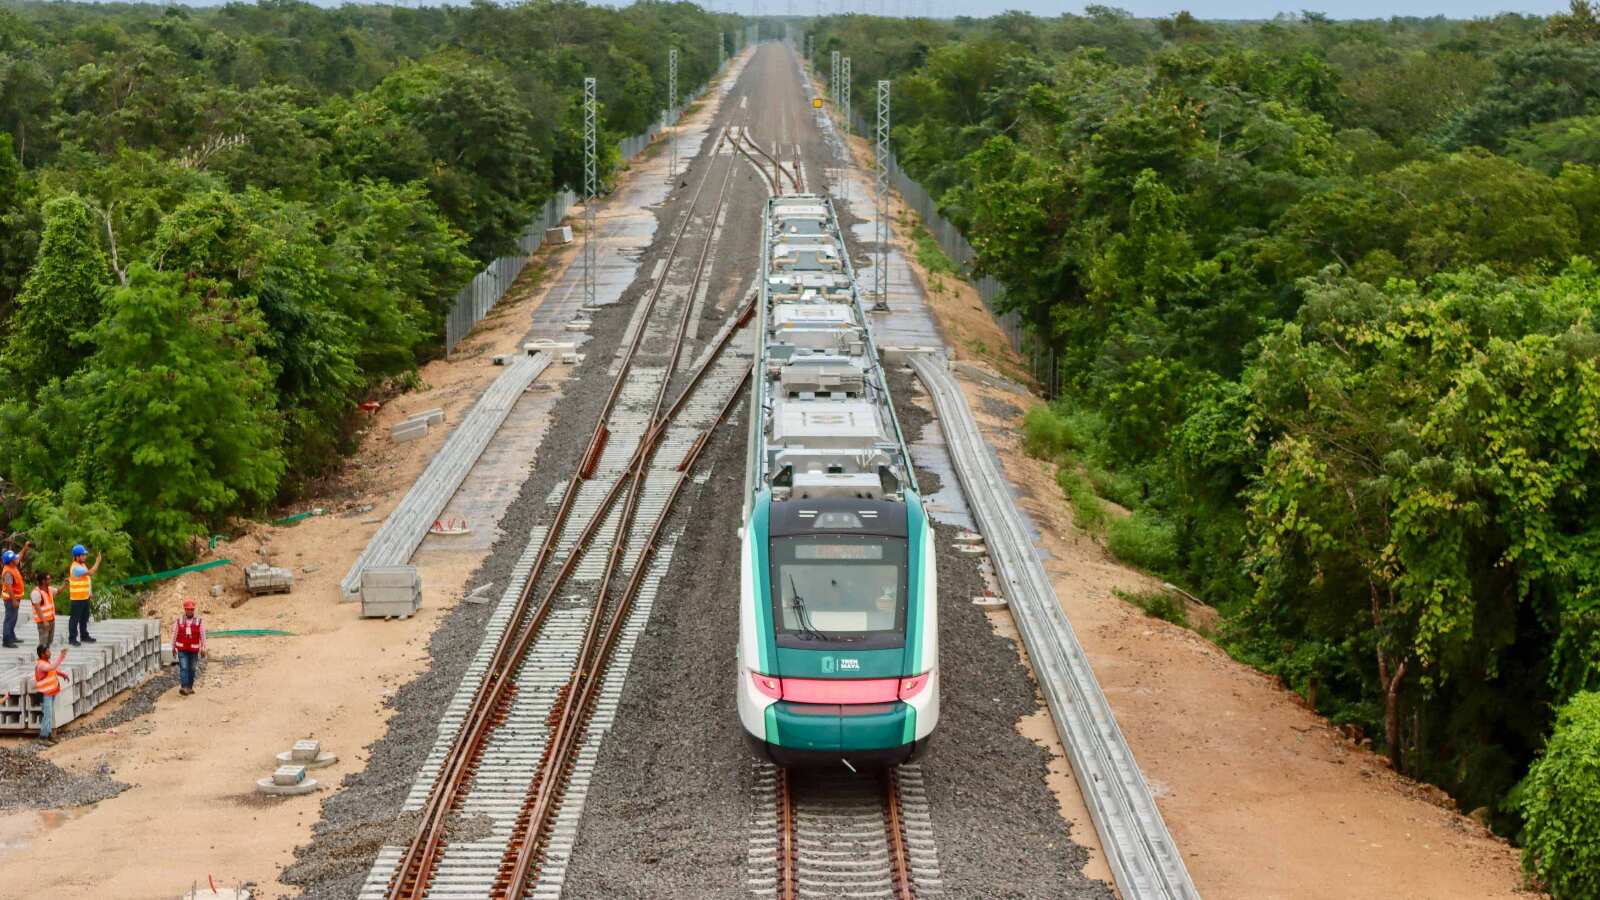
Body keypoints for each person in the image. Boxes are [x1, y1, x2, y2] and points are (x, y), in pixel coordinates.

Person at [66, 544, 101, 646]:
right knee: (74, 619)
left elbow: (87, 579)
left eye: (85, 554)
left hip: (85, 597)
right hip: (77, 598)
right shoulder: (76, 567)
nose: (85, 556)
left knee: (84, 618)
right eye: (83, 555)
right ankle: (72, 639)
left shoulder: (82, 565)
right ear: (77, 556)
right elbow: (91, 572)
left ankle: (84, 635)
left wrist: (89, 592)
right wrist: (97, 562)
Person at [33, 645, 68, 741]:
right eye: (47, 651)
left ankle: (48, 734)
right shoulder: (41, 664)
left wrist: (62, 674)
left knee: (49, 714)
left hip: (51, 692)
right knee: (47, 715)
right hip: (45, 694)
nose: (50, 653)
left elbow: (53, 669)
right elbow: (52, 667)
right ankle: (43, 737)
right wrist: (61, 655)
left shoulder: (46, 662)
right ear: (42, 654)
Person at [172, 599, 206, 695]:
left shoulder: (199, 621)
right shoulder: (179, 621)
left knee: (192, 668)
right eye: (188, 609)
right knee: (184, 667)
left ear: (193, 610)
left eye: (191, 609)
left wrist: (204, 647)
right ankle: (184, 687)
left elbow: (202, 635)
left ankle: (190, 687)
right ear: (185, 610)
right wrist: (173, 647)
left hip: (194, 650)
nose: (189, 611)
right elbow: (174, 634)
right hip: (182, 649)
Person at [0, 541, 28, 648]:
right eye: (14, 559)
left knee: (14, 617)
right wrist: (14, 600)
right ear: (11, 562)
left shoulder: (13, 565)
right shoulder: (8, 572)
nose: (17, 559)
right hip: (10, 599)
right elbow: (9, 587)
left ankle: (12, 636)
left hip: (15, 598)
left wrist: (25, 548)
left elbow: (19, 555)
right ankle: (6, 640)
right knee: (9, 618)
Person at [30, 573, 56, 649]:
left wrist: (65, 585)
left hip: (51, 619)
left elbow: (58, 591)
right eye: (48, 579)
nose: (50, 580)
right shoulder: (36, 593)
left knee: (49, 641)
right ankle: (41, 657)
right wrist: (44, 621)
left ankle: (46, 655)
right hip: (42, 621)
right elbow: (37, 608)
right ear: (43, 581)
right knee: (43, 641)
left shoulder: (49, 589)